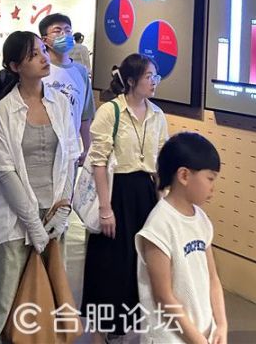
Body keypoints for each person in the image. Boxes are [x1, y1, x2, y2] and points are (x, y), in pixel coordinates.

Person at [0, 31, 79, 344]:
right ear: (14, 66)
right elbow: (5, 172)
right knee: (2, 305)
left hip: (53, 215)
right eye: (33, 55)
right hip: (14, 219)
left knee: (46, 301)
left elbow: (70, 158)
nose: (44, 58)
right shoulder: (4, 111)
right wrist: (33, 225)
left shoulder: (59, 103)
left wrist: (63, 208)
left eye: (42, 51)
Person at [81, 53, 169, 340]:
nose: (154, 82)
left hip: (145, 194)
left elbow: (161, 163)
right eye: (149, 77)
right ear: (131, 81)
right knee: (108, 266)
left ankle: (125, 331)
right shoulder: (111, 111)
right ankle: (99, 333)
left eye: (155, 76)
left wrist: (162, 204)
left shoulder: (157, 114)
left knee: (138, 265)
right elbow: (98, 162)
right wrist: (105, 208)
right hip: (116, 192)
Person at [136, 132, 227, 344]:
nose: (212, 187)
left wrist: (221, 325)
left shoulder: (201, 220)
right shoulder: (159, 225)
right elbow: (163, 297)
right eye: (210, 178)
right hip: (170, 337)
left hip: (201, 332)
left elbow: (213, 279)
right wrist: (197, 339)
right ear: (184, 175)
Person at [38, 14, 96, 164]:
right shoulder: (39, 69)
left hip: (71, 150)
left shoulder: (80, 72)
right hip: (40, 148)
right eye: (57, 31)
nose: (64, 34)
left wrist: (87, 147)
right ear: (44, 39)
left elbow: (85, 114)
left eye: (68, 30)